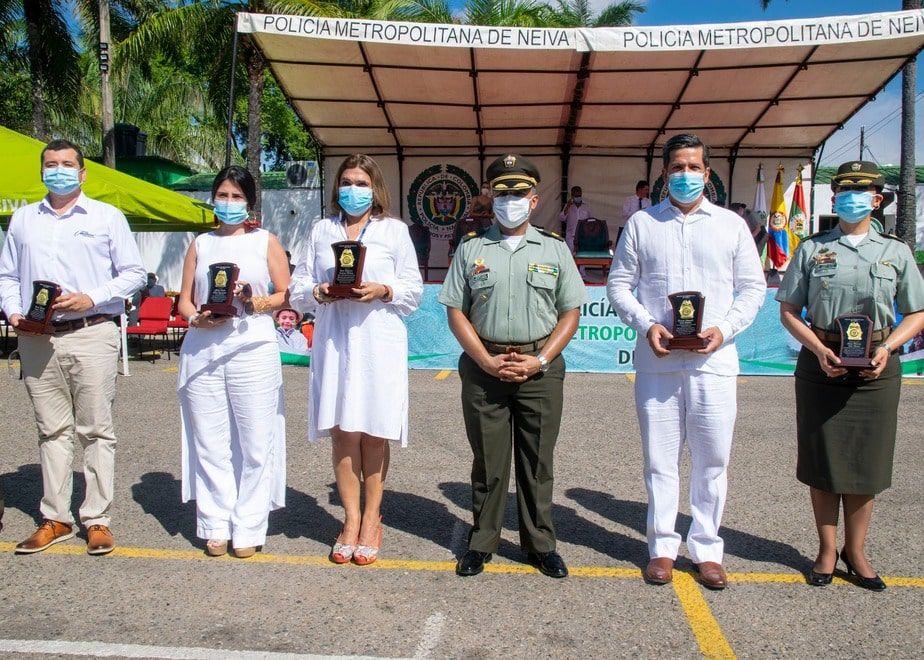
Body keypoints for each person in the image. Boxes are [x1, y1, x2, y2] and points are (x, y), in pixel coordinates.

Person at [607, 134, 766, 590]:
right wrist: (645, 324)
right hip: (658, 361)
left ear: (708, 173)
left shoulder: (732, 226)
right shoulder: (642, 224)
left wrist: (724, 329)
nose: (685, 175)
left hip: (713, 363)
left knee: (712, 460)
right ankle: (661, 546)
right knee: (660, 460)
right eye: (677, 167)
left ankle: (707, 547)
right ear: (664, 174)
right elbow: (619, 285)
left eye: (694, 167)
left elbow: (753, 288)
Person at [775, 160, 924, 591]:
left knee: (865, 462)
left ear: (877, 200)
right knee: (823, 461)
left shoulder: (895, 251)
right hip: (822, 360)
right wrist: (819, 348)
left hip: (876, 366)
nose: (850, 199)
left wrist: (888, 348)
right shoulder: (812, 249)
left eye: (860, 192)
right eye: (842, 192)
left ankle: (856, 552)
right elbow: (788, 310)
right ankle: (825, 550)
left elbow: (916, 311)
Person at [439, 154, 586, 579]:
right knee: (488, 460)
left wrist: (540, 359)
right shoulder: (471, 248)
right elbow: (455, 311)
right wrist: (484, 360)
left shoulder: (555, 248)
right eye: (502, 193)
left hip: (540, 366)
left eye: (518, 193)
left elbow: (570, 312)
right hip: (484, 365)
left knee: (537, 461)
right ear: (491, 197)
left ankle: (540, 544)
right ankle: (481, 542)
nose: (510, 201)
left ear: (534, 200)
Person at [0, 138, 146, 555]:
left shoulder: (106, 217)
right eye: (51, 164)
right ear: (41, 171)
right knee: (51, 430)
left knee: (97, 430)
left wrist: (92, 296)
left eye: (67, 164)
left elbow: (134, 272)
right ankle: (56, 517)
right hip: (37, 336)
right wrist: (13, 313)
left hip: (91, 330)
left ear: (82, 173)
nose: (58, 170)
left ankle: (97, 519)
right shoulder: (24, 220)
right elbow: (7, 276)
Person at [289, 154, 422, 566]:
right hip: (334, 341)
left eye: (362, 182)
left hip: (378, 341)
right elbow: (297, 288)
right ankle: (349, 519)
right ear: (336, 188)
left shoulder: (394, 231)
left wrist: (382, 289)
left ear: (375, 188)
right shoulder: (320, 229)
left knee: (374, 432)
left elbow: (413, 292)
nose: (353, 189)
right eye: (346, 181)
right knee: (343, 431)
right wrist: (319, 292)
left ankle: (371, 518)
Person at [176, 166, 290, 559]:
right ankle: (215, 522)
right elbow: (184, 299)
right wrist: (196, 318)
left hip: (252, 348)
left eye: (236, 197)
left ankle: (249, 524)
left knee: (256, 442)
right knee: (210, 442)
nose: (228, 203)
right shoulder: (201, 243)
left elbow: (283, 294)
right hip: (202, 350)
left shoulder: (265, 242)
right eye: (222, 195)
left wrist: (251, 300)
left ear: (250, 202)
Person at [558, 185, 593, 253]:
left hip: (584, 237)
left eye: (579, 195)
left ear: (581, 194)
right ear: (572, 196)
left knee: (582, 257)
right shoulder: (568, 206)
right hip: (571, 237)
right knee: (571, 257)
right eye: (576, 196)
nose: (578, 197)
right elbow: (561, 218)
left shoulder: (587, 206)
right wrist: (567, 206)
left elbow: (591, 222)